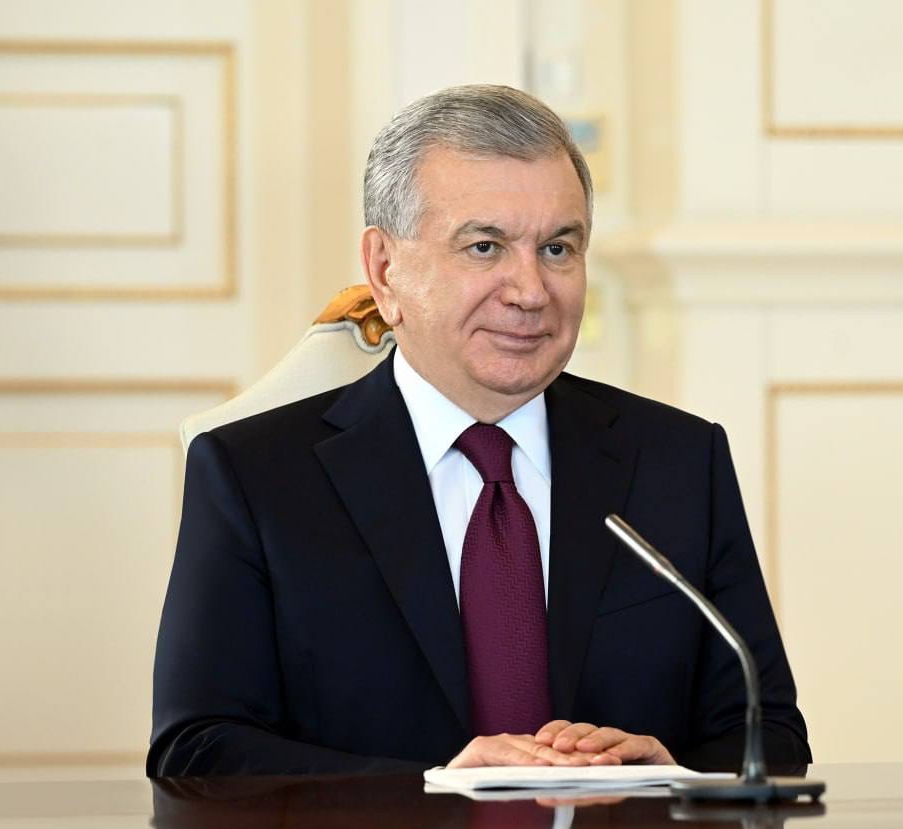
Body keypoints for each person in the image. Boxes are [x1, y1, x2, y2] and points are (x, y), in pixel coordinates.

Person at [148, 84, 810, 776]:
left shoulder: (679, 461)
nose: (530, 291)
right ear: (385, 270)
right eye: (485, 247)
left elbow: (771, 736)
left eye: (558, 248)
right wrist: (430, 789)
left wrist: (670, 774)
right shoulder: (255, 476)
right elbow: (197, 750)